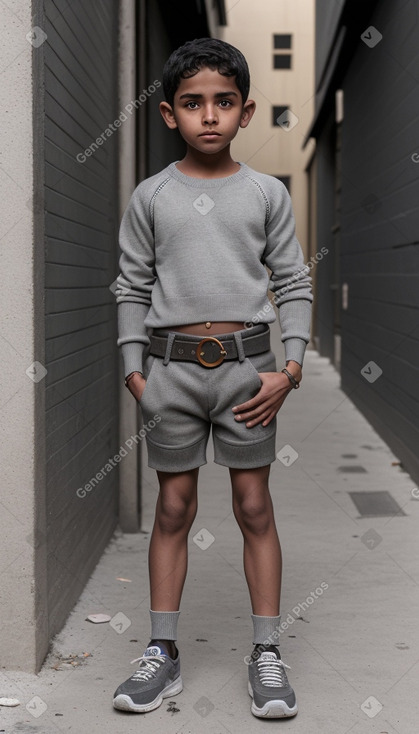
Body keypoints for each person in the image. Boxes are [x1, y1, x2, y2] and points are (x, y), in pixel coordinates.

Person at [112, 37, 312, 719]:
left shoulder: (265, 194)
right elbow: (131, 284)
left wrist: (289, 369)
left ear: (245, 111)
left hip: (248, 373)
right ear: (168, 113)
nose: (208, 116)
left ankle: (265, 654)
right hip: (169, 373)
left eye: (223, 102)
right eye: (192, 103)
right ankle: (162, 652)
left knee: (253, 506)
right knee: (172, 508)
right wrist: (135, 371)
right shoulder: (150, 197)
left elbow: (293, 281)